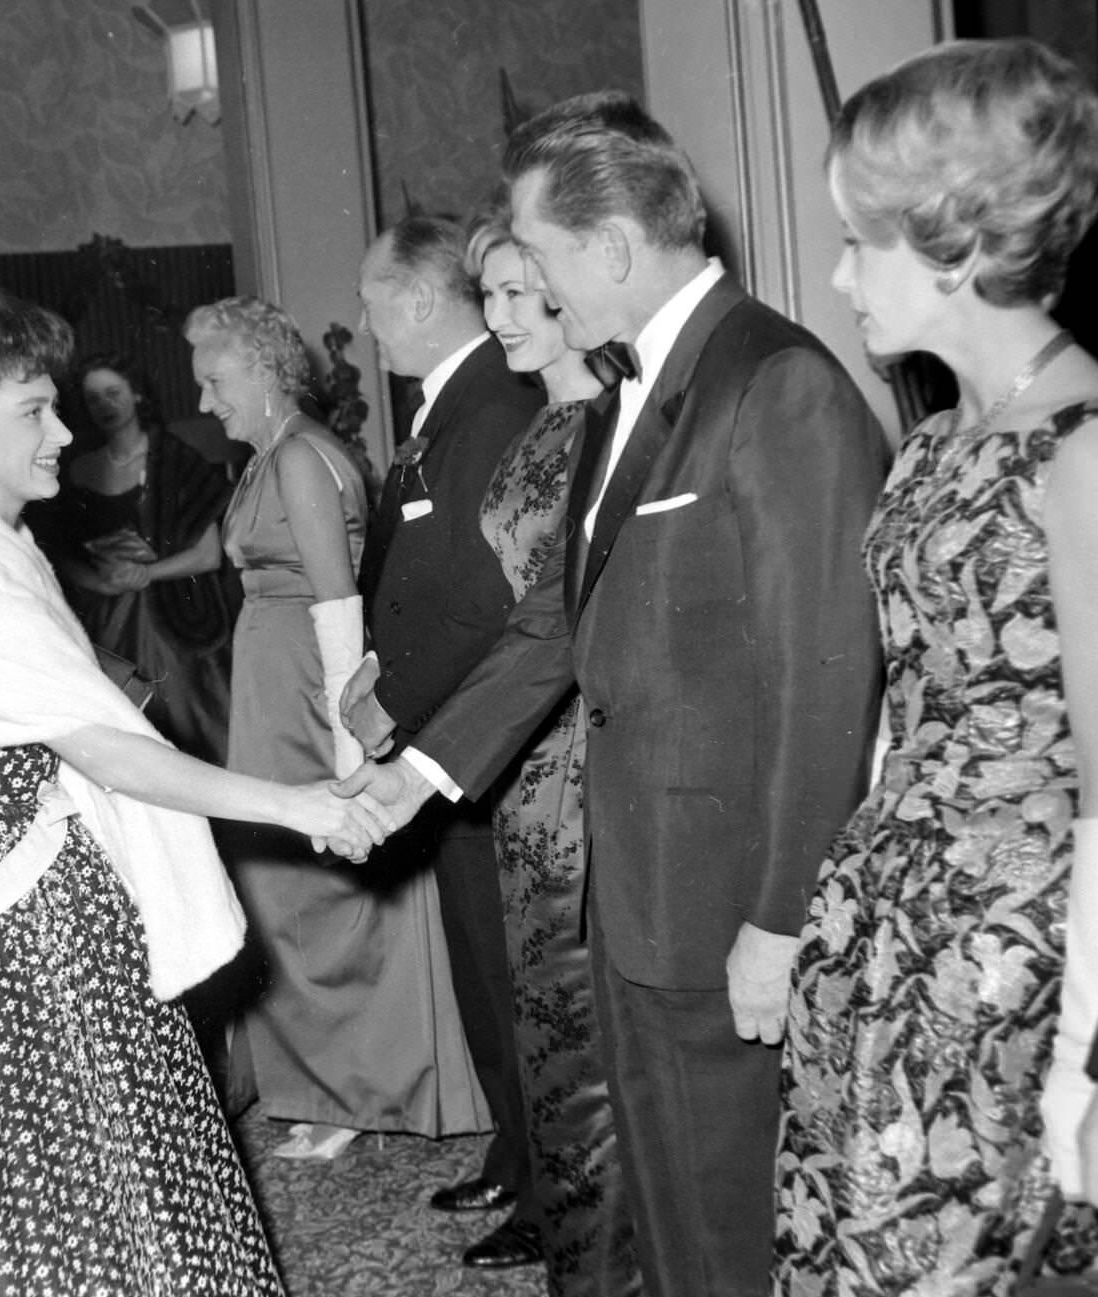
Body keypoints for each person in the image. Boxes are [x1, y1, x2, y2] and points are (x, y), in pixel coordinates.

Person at [336, 93, 889, 1297]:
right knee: (669, 1216)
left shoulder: (774, 382)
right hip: (629, 895)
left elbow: (826, 677)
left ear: (612, 248)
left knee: (737, 1231)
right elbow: (555, 624)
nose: (524, 289)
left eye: (536, 257)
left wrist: (781, 919)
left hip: (726, 901)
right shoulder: (624, 391)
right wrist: (416, 777)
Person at [0, 283, 388, 1295]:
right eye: (35, 410)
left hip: (8, 859)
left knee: (77, 1159)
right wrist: (299, 805)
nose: (66, 431)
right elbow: (110, 751)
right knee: (40, 1168)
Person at [767, 39, 1098, 1294]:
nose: (839, 274)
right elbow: (903, 710)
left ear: (953, 246)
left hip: (1006, 966)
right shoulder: (930, 445)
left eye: (861, 243)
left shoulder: (1082, 453)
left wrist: (1083, 1060)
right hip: (883, 928)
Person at [184, 296, 486, 1162]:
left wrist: (349, 744)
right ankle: (324, 1082)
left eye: (214, 381)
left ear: (263, 369)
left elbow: (338, 606)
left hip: (308, 701)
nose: (204, 402)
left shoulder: (299, 458)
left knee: (320, 898)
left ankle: (355, 1087)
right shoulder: (275, 453)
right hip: (274, 692)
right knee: (290, 895)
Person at [343, 214, 547, 1270]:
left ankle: (548, 1188)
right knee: (480, 963)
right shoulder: (454, 401)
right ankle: (517, 1153)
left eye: (373, 301)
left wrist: (397, 700)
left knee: (510, 970)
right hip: (448, 729)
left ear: (419, 298)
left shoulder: (495, 402)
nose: (365, 325)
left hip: (479, 735)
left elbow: (484, 595)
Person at [465, 208, 640, 1296]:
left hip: (580, 757)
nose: (499, 316)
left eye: (519, 292)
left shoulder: (606, 427)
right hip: (526, 763)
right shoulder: (539, 425)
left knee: (587, 1042)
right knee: (550, 1031)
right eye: (486, 295)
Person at [51, 352, 232, 764]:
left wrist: (146, 573)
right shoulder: (77, 470)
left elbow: (208, 555)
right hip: (102, 618)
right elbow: (60, 557)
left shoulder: (177, 460)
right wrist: (99, 581)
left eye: (113, 392)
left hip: (175, 617)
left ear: (136, 394)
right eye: (93, 398)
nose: (105, 405)